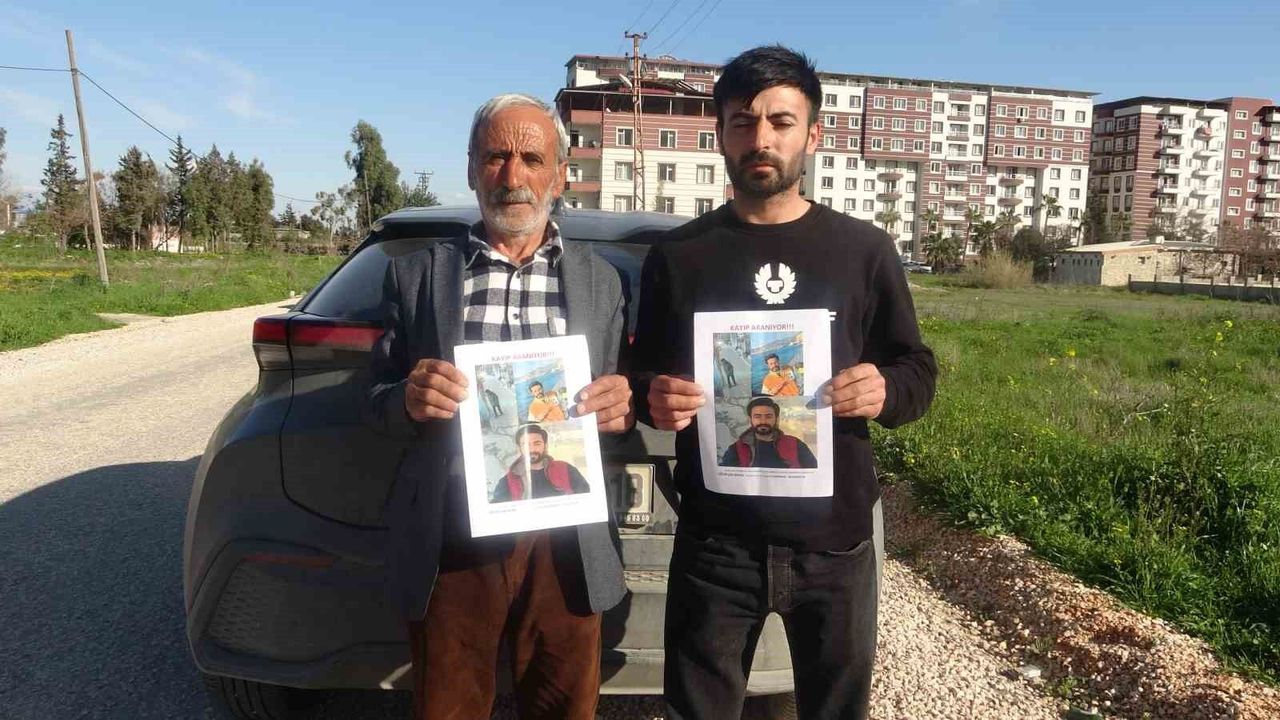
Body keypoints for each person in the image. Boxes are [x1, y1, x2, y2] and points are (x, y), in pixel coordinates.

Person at [631, 46, 937, 720]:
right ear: (720, 134)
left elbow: (917, 369)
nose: (761, 138)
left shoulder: (863, 251)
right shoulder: (679, 256)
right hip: (716, 546)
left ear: (813, 135)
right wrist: (654, 395)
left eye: (781, 121)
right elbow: (641, 372)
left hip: (835, 547)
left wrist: (885, 391)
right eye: (742, 122)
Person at [363, 92, 635, 720]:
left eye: (532, 159)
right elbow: (373, 401)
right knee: (449, 707)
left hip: (567, 538)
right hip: (455, 534)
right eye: (495, 157)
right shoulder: (417, 276)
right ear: (471, 169)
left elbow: (616, 402)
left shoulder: (602, 281)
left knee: (564, 706)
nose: (513, 176)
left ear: (560, 175)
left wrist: (620, 408)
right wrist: (407, 399)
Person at [491, 424, 591, 502]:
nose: (532, 449)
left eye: (537, 444)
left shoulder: (566, 469)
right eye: (526, 445)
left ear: (545, 446)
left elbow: (587, 498)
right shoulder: (507, 482)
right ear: (519, 448)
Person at [720, 396, 817, 469]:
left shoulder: (795, 444)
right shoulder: (736, 449)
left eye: (768, 416)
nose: (763, 421)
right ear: (750, 419)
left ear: (776, 419)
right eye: (757, 417)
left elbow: (814, 473)